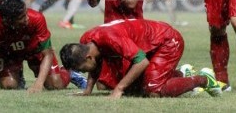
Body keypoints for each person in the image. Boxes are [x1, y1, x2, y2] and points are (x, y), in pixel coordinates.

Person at [59, 19, 222, 98]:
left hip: (167, 41)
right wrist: (88, 91)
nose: (83, 72)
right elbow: (96, 63)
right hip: (148, 46)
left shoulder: (110, 39)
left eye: (81, 69)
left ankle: (204, 80)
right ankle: (179, 74)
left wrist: (118, 89)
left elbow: (141, 61)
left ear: (88, 57)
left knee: (154, 91)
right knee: (135, 90)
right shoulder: (87, 41)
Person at [0, 0, 86, 93]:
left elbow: (47, 54)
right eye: (22, 17)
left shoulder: (37, 18)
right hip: (8, 53)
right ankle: (17, 74)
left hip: (35, 51)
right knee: (9, 86)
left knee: (55, 85)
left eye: (26, 12)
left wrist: (38, 84)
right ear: (7, 20)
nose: (27, 18)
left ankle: (68, 73)